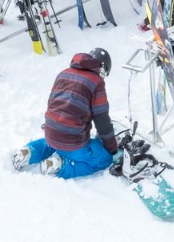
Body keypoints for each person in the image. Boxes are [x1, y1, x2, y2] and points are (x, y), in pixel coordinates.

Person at [11, 48, 119, 178]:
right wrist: (111, 148)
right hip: (73, 141)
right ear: (101, 68)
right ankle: (60, 166)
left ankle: (27, 152)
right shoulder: (96, 83)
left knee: (50, 143)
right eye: (104, 73)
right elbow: (102, 122)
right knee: (103, 158)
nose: (103, 77)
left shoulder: (63, 73)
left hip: (51, 131)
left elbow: (53, 103)